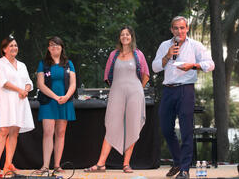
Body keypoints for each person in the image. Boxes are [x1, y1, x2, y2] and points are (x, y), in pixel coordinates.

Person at [152, 16, 215, 179]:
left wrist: (193, 66)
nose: (179, 31)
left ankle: (185, 169)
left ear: (187, 28)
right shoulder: (165, 45)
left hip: (186, 90)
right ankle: (179, 161)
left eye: (182, 28)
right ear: (171, 30)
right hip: (168, 89)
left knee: (186, 130)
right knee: (166, 129)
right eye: (175, 28)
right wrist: (167, 56)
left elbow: (210, 64)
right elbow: (155, 67)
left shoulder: (195, 46)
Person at [84, 26, 149, 173]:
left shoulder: (139, 54)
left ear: (132, 37)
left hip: (135, 93)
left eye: (127, 34)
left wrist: (138, 88)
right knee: (112, 125)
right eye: (122, 34)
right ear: (119, 38)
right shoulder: (113, 55)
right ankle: (101, 164)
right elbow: (108, 76)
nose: (125, 37)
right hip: (116, 92)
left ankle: (126, 164)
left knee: (132, 125)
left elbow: (145, 74)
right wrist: (118, 88)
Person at [0, 35, 35, 175]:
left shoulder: (22, 65)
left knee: (14, 132)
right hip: (6, 102)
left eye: (15, 45)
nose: (14, 48)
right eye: (11, 46)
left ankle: (8, 164)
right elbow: (3, 82)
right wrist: (19, 90)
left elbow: (29, 82)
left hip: (20, 102)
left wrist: (25, 90)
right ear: (4, 49)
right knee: (3, 130)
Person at [36, 36, 76, 173]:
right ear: (48, 48)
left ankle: (57, 165)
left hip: (64, 101)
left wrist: (66, 97)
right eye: (51, 45)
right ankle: (45, 166)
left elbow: (73, 84)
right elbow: (40, 84)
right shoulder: (43, 63)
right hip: (48, 101)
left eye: (57, 45)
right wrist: (55, 97)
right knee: (48, 132)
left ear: (61, 47)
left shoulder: (69, 63)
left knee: (61, 133)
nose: (54, 48)